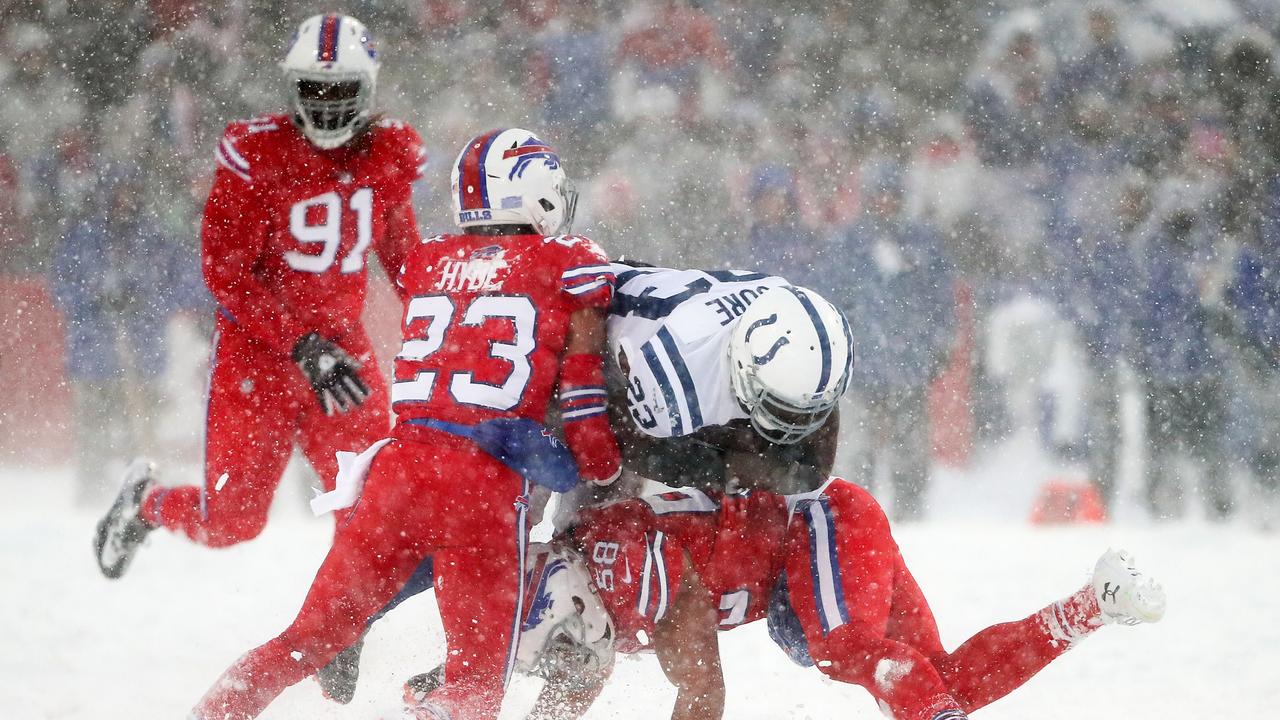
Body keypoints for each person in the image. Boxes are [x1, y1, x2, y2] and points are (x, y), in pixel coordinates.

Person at [190, 127, 621, 720]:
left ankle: (214, 712)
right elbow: (584, 403)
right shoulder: (572, 261)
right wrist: (598, 464)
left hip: (399, 471)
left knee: (304, 641)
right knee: (472, 689)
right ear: (533, 191)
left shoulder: (429, 259)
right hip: (484, 488)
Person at [94, 14, 425, 577]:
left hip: (342, 353)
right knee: (232, 522)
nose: (326, 104)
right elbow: (225, 274)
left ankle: (344, 635)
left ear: (366, 88)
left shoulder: (384, 156)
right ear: (291, 88)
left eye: (341, 90)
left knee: (373, 508)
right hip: (260, 355)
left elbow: (406, 263)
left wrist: (452, 316)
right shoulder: (258, 154)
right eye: (313, 89)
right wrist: (301, 343)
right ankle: (146, 505)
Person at [521, 479, 1167, 720]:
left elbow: (703, 694)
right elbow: (574, 685)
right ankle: (1092, 605)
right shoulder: (593, 584)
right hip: (807, 561)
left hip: (818, 525)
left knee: (842, 649)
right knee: (937, 682)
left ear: (568, 601)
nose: (575, 665)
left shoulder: (617, 559)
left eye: (562, 650)